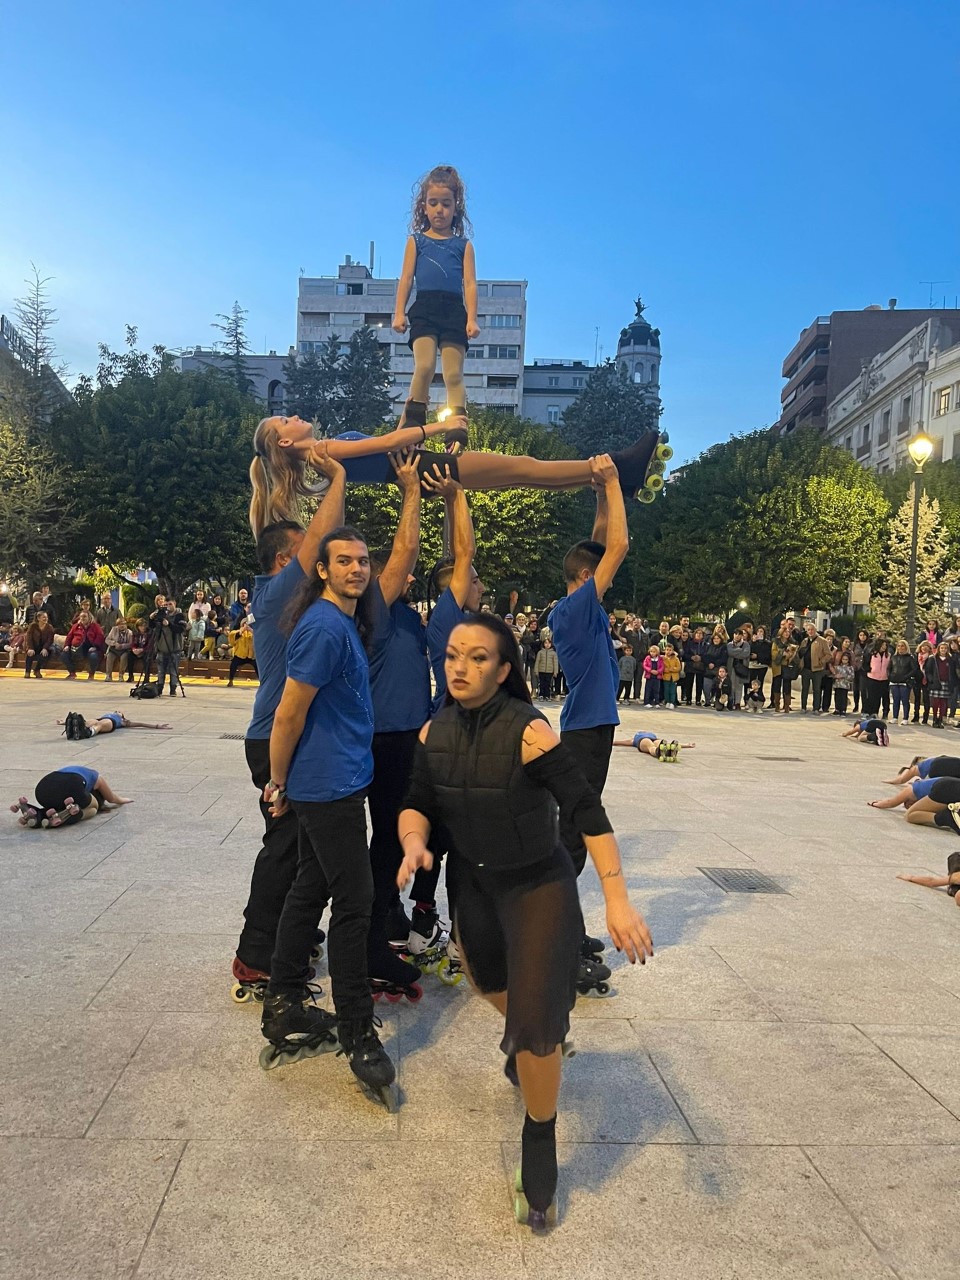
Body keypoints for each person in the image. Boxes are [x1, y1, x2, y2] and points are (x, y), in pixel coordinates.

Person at [396, 614, 654, 1228]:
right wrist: (413, 842)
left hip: (538, 884)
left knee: (535, 1024)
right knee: (488, 983)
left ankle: (540, 1130)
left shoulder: (530, 732)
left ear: (504, 669)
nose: (460, 667)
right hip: (474, 884)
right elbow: (416, 803)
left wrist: (617, 900)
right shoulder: (433, 733)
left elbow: (587, 811)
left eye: (478, 657)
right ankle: (535, 1033)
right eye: (452, 655)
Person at [260, 525, 396, 1110]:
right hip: (327, 785)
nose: (357, 569)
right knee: (355, 901)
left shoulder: (341, 621)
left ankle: (284, 1000)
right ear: (322, 569)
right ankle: (358, 1031)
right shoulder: (322, 626)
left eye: (363, 561)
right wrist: (279, 781)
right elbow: (287, 714)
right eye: (344, 561)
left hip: (336, 778)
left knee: (310, 886)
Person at [231, 445, 346, 1003]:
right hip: (278, 739)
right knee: (285, 848)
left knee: (298, 847)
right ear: (284, 561)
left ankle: (284, 938)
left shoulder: (279, 595)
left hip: (281, 736)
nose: (319, 562)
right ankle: (255, 956)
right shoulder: (278, 591)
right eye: (306, 555)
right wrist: (338, 477)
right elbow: (324, 535)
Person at [248, 414, 664, 539]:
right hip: (430, 467)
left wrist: (411, 428)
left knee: (523, 475)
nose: (294, 416)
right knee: (524, 467)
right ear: (284, 442)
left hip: (424, 467)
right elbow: (387, 442)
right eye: (285, 420)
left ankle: (609, 476)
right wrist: (438, 426)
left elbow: (387, 447)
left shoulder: (324, 454)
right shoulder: (324, 450)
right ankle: (614, 466)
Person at [547, 455, 628, 996]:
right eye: (598, 577)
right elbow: (617, 547)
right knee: (573, 840)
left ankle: (564, 932)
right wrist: (616, 480)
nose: (607, 583)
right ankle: (555, 940)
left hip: (591, 728)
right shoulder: (575, 609)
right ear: (585, 578)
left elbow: (600, 543)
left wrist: (600, 495)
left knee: (572, 835)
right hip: (584, 734)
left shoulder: (581, 605)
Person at [363, 452, 439, 994]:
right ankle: (369, 939)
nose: (408, 574)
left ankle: (387, 912)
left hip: (411, 737)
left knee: (398, 835)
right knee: (388, 839)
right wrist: (411, 489)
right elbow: (405, 550)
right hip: (384, 740)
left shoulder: (409, 615)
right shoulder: (374, 608)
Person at [392, 164, 479, 430]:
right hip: (425, 308)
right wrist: (399, 312)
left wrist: (472, 319)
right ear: (424, 207)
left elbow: (470, 284)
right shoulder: (416, 241)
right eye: (433, 203)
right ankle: (414, 421)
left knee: (453, 373)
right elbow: (406, 278)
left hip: (453, 311)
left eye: (446, 204)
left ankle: (457, 427)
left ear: (455, 208)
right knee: (425, 366)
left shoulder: (463, 245)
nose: (439, 210)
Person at [10, 765, 132, 829]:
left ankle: (38, 814)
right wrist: (124, 800)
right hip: (72, 785)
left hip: (43, 789)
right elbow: (112, 798)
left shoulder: (81, 770)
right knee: (94, 808)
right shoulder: (96, 777)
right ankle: (71, 814)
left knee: (57, 802)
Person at [149, 596, 187, 696]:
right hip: (161, 647)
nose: (168, 606)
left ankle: (173, 689)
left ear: (175, 604)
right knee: (161, 670)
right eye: (166, 604)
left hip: (174, 648)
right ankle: (159, 688)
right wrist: (151, 619)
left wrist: (169, 624)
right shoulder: (161, 614)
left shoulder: (180, 615)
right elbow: (152, 627)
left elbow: (181, 629)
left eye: (170, 604)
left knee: (173, 671)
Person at [59, 711, 171, 738]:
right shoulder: (108, 714)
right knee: (91, 721)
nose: (117, 711)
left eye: (119, 712)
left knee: (100, 724)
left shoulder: (123, 721)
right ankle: (75, 727)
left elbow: (140, 724)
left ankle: (89, 732)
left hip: (110, 723)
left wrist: (156, 726)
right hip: (101, 718)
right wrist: (63, 722)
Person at [613, 729, 696, 762]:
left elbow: (667, 742)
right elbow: (624, 742)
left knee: (661, 743)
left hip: (654, 739)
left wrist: (686, 745)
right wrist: (611, 742)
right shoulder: (635, 737)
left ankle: (668, 751)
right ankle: (657, 752)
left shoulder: (652, 735)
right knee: (650, 745)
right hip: (642, 741)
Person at [924, 641, 952, 729]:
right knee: (935, 702)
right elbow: (928, 671)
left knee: (943, 703)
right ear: (938, 649)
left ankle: (940, 720)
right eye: (942, 648)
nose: (943, 650)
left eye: (945, 648)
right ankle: (934, 719)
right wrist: (931, 680)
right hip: (936, 682)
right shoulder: (933, 658)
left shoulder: (950, 659)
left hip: (946, 683)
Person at [226, 617, 258, 687]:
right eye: (245, 624)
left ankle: (262, 682)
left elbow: (259, 636)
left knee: (258, 666)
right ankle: (230, 680)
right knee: (233, 665)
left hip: (251, 656)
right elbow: (232, 641)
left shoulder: (253, 632)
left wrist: (251, 630)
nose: (246, 625)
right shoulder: (236, 632)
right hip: (240, 655)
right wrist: (241, 631)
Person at [888, 640, 914, 725]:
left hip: (904, 682)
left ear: (906, 647)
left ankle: (905, 718)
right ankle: (895, 717)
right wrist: (890, 676)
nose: (900, 648)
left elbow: (914, 669)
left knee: (905, 700)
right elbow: (889, 668)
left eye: (902, 646)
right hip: (894, 682)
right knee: (896, 700)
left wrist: (906, 676)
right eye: (899, 646)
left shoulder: (910, 658)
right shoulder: (893, 657)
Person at [681, 627, 707, 706]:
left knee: (699, 683)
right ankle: (688, 699)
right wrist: (691, 657)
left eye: (700, 633)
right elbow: (685, 654)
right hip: (690, 665)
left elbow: (707, 655)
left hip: (700, 666)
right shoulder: (689, 643)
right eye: (697, 633)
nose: (698, 635)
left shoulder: (705, 644)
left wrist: (701, 658)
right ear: (694, 634)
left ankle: (698, 700)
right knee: (689, 683)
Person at [727, 628, 751, 710]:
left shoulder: (746, 644)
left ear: (741, 636)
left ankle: (737, 703)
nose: (737, 636)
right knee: (732, 686)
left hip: (741, 668)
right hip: (731, 667)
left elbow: (745, 654)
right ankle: (731, 701)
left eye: (739, 634)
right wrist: (740, 650)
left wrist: (735, 652)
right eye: (735, 634)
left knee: (739, 686)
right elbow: (730, 652)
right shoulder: (729, 644)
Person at [534, 636, 559, 700]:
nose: (547, 644)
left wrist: (555, 672)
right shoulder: (540, 652)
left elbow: (555, 663)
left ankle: (547, 695)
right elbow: (537, 662)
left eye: (549, 643)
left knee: (548, 684)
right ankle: (541, 695)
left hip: (549, 671)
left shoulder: (553, 653)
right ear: (543, 644)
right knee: (541, 683)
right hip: (541, 670)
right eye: (546, 643)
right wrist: (536, 670)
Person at [831, 649, 855, 716]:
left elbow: (852, 676)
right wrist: (836, 676)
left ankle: (843, 709)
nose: (844, 661)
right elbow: (833, 674)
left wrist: (844, 676)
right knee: (837, 697)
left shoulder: (850, 668)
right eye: (843, 659)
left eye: (846, 659)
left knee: (843, 697)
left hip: (845, 685)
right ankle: (837, 709)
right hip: (837, 685)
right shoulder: (838, 667)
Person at [662, 642, 681, 709]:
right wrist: (666, 670)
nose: (668, 651)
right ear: (665, 650)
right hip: (666, 677)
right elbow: (662, 668)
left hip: (674, 677)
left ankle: (672, 702)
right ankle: (667, 701)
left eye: (670, 650)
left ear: (673, 651)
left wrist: (672, 669)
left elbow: (679, 667)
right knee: (666, 690)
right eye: (667, 650)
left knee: (673, 691)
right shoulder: (663, 659)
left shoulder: (676, 659)